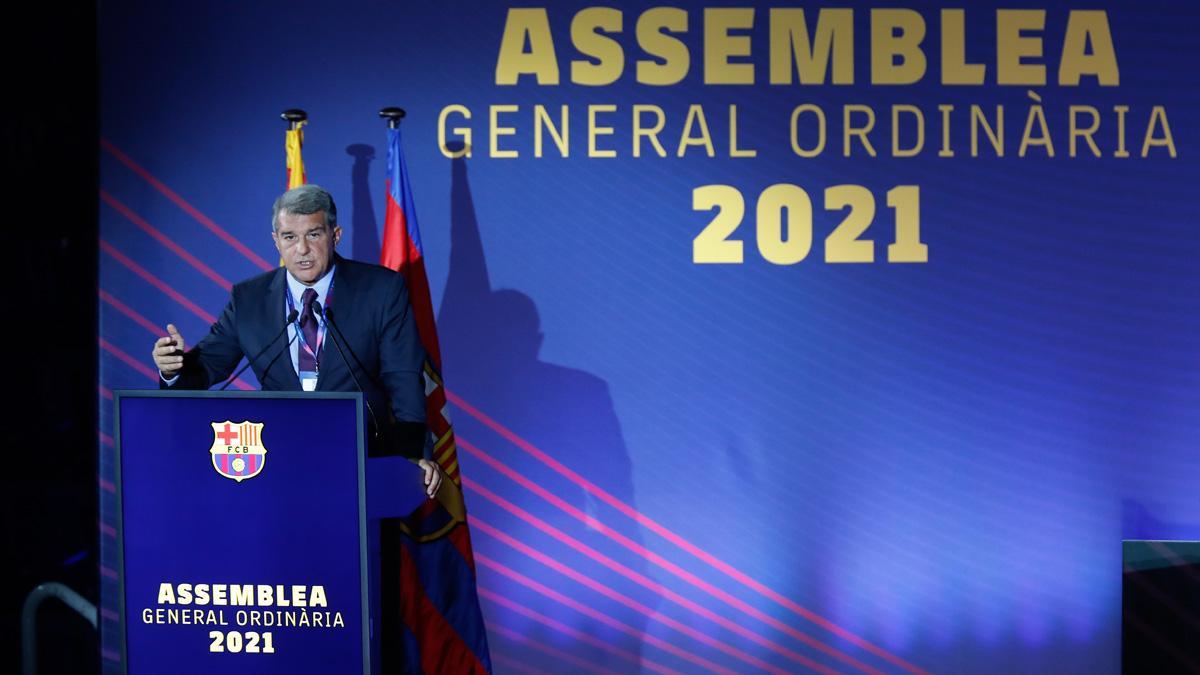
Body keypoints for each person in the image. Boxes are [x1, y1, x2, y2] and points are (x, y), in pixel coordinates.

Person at [151, 184, 441, 497]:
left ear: (335, 235)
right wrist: (174, 368)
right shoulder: (249, 299)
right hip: (277, 465)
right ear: (276, 241)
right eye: (290, 237)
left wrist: (412, 454)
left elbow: (403, 376)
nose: (302, 249)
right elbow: (208, 366)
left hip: (362, 459)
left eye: (314, 234)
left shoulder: (380, 289)